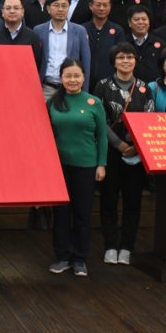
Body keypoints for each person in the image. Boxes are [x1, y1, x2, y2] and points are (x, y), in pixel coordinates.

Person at [47, 59, 107, 277]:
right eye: (68, 76)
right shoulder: (53, 101)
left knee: (82, 214)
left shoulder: (93, 102)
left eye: (77, 76)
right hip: (59, 167)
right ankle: (62, 256)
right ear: (61, 78)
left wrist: (102, 164)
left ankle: (80, 258)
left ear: (84, 77)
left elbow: (102, 135)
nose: (72, 80)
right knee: (61, 213)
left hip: (86, 166)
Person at [95, 43, 154, 266]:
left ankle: (127, 246)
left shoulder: (144, 87)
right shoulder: (102, 85)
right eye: (121, 57)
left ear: (136, 61)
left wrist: (137, 146)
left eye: (130, 57)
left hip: (137, 153)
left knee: (132, 201)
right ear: (114, 61)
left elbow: (149, 119)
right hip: (110, 151)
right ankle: (110, 245)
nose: (125, 61)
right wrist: (119, 144)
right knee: (109, 200)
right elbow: (99, 120)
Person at [36, 0, 91, 99]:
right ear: (48, 8)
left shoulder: (79, 31)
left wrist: (84, 92)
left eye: (64, 6)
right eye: (56, 5)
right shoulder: (38, 30)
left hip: (70, 88)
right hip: (45, 88)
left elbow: (85, 62)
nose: (60, 9)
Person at [81, 0, 125, 90]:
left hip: (110, 84)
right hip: (85, 82)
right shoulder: (82, 29)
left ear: (110, 7)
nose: (101, 8)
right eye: (98, 5)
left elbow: (121, 57)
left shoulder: (117, 30)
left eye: (105, 5)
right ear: (90, 6)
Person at [0, 0, 42, 68]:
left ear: (23, 12)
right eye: (8, 8)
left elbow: (36, 64)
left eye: (16, 8)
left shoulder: (33, 37)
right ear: (2, 12)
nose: (12, 11)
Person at [127, 7, 165, 84]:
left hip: (154, 87)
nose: (141, 22)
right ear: (129, 23)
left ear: (149, 22)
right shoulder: (123, 43)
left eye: (144, 19)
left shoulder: (160, 44)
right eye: (136, 19)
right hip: (129, 86)